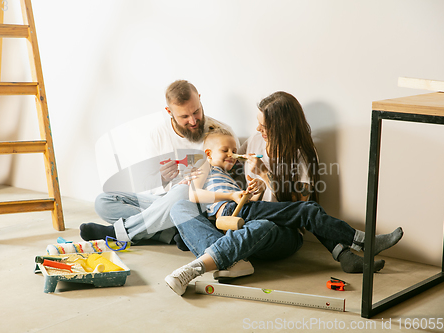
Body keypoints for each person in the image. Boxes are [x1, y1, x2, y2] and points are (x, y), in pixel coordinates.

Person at [166, 92, 403, 296]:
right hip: (241, 216)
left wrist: (267, 177)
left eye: (265, 126)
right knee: (179, 207)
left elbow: (296, 211)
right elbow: (227, 174)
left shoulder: (302, 156)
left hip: (279, 232)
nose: (258, 129)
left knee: (268, 224)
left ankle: (210, 260)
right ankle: (232, 259)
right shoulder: (255, 142)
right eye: (258, 123)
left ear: (281, 127)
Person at [79, 80, 238, 246]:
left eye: (196, 111)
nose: (192, 121)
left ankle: (121, 232)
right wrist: (162, 179)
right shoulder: (157, 135)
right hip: (164, 201)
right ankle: (174, 231)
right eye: (184, 116)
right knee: (104, 201)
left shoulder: (220, 132)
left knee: (183, 191)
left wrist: (200, 178)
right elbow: (150, 187)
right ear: (169, 111)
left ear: (199, 98)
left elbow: (231, 176)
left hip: (198, 202)